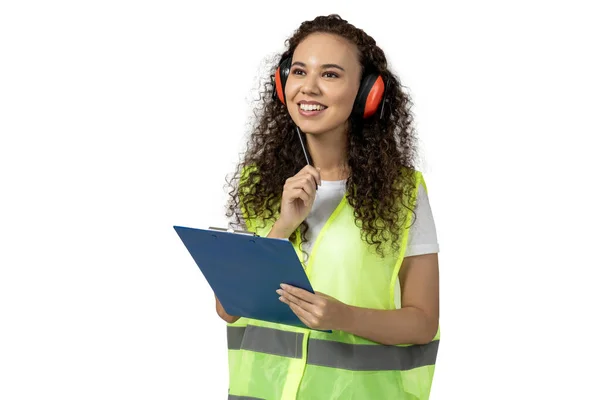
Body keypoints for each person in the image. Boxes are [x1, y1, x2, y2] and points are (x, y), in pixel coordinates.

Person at [216, 14, 440, 400]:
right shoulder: (256, 185)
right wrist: (282, 226)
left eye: (331, 75)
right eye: (299, 71)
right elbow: (228, 309)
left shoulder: (403, 192)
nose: (309, 88)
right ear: (282, 83)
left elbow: (422, 322)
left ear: (368, 93)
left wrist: (344, 317)